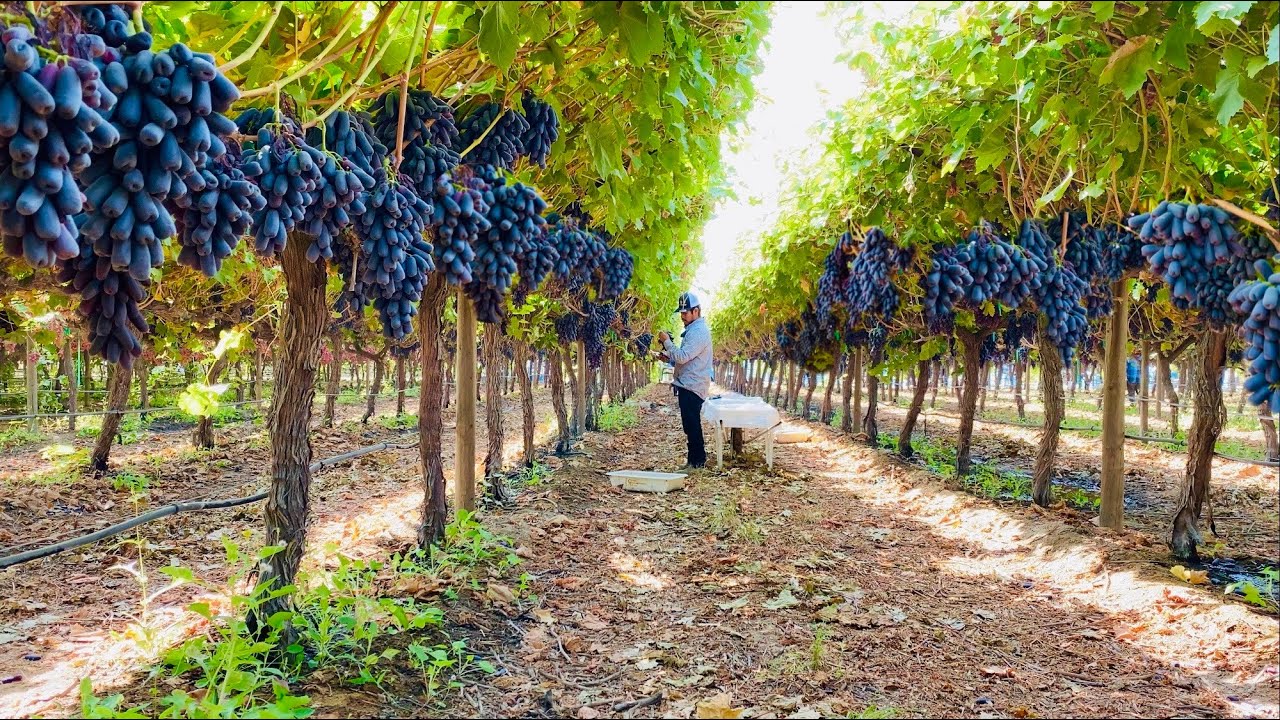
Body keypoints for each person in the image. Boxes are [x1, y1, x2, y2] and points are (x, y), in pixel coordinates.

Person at [658, 291, 713, 470]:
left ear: (696, 311)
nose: (682, 316)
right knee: (689, 425)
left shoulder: (698, 332)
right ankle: (693, 461)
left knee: (692, 424)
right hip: (688, 384)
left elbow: (683, 356)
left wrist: (667, 342)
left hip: (692, 385)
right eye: (681, 313)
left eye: (685, 312)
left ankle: (697, 462)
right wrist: (669, 358)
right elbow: (686, 359)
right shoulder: (693, 330)